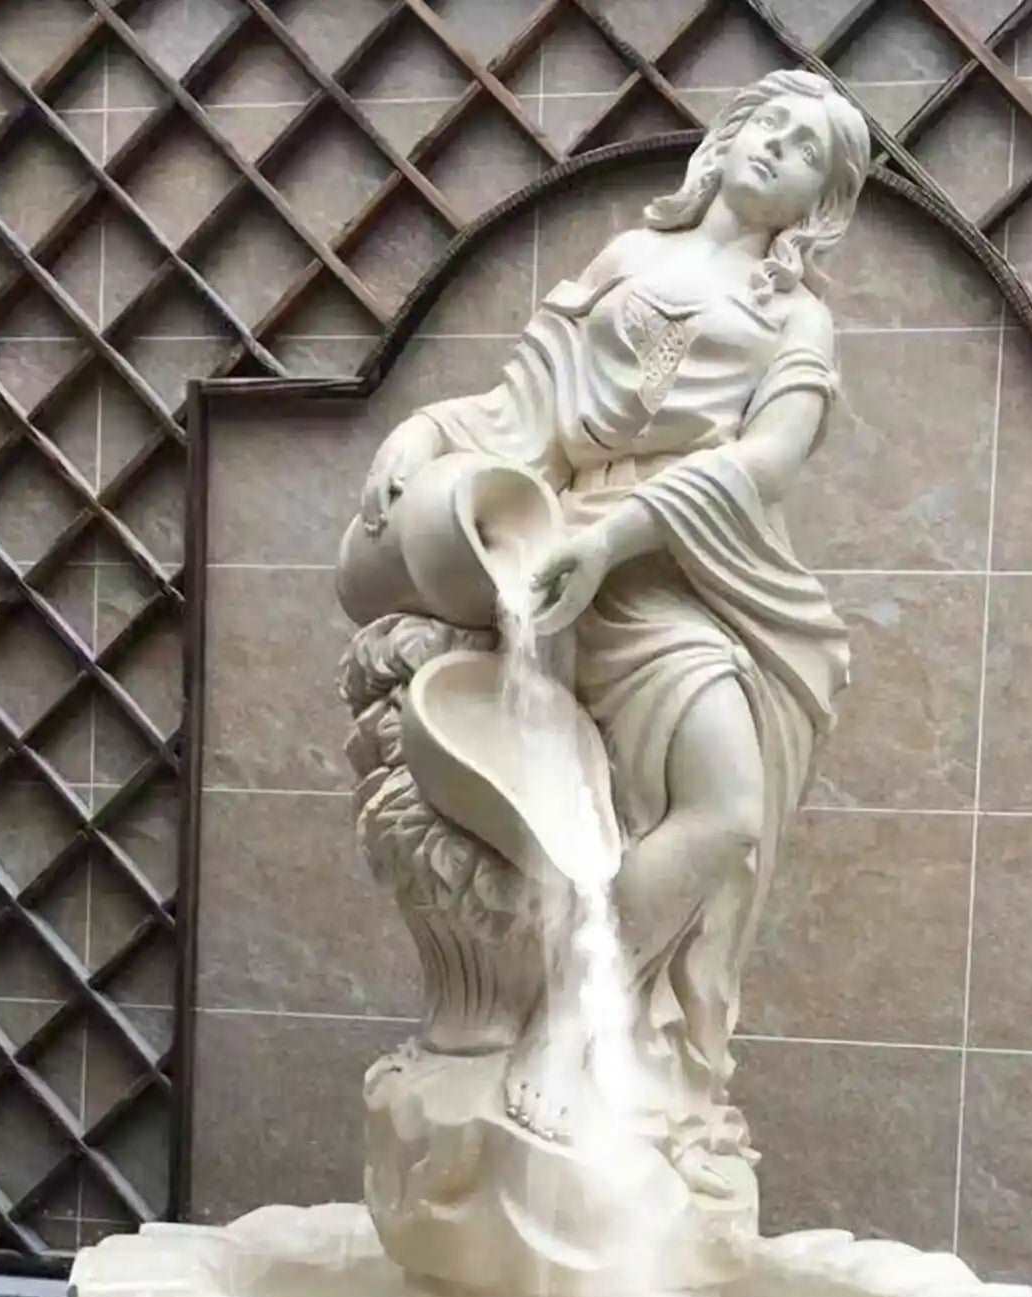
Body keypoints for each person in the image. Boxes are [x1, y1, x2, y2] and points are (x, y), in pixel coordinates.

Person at [357, 69, 870, 1192]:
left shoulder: (796, 317)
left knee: (726, 807)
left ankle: (572, 1026)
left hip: (675, 568)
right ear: (728, 139)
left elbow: (766, 460)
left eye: (807, 151)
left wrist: (624, 533)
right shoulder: (627, 260)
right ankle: (517, 1029)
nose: (777, 145)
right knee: (540, 824)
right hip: (542, 557)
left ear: (818, 205)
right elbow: (518, 414)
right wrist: (422, 431)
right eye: (767, 123)